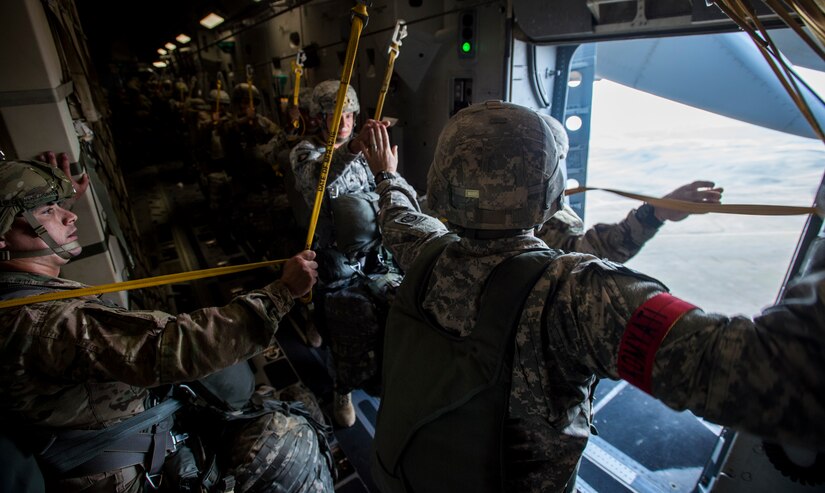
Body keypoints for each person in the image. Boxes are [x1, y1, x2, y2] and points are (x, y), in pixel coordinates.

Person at [360, 101, 825, 492]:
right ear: (550, 190)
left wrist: (386, 174)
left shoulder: (423, 252)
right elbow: (778, 371)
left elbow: (398, 213)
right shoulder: (580, 295)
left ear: (441, 184)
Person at [0, 155, 334, 492]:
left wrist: (54, 207)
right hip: (131, 471)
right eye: (47, 211)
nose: (69, 215)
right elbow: (173, 347)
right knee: (290, 441)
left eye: (60, 205)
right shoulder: (40, 322)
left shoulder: (21, 296)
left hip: (138, 431)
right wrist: (282, 293)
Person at [289, 80, 401, 428]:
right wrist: (353, 147)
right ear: (318, 119)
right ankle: (342, 388)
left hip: (374, 251)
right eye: (333, 116)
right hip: (334, 256)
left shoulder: (365, 155)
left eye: (349, 115)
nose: (343, 122)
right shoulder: (305, 152)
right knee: (343, 326)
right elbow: (315, 181)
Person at [535, 113, 724, 262]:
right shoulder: (532, 215)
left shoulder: (527, 208)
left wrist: (657, 211)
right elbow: (585, 256)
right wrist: (655, 213)